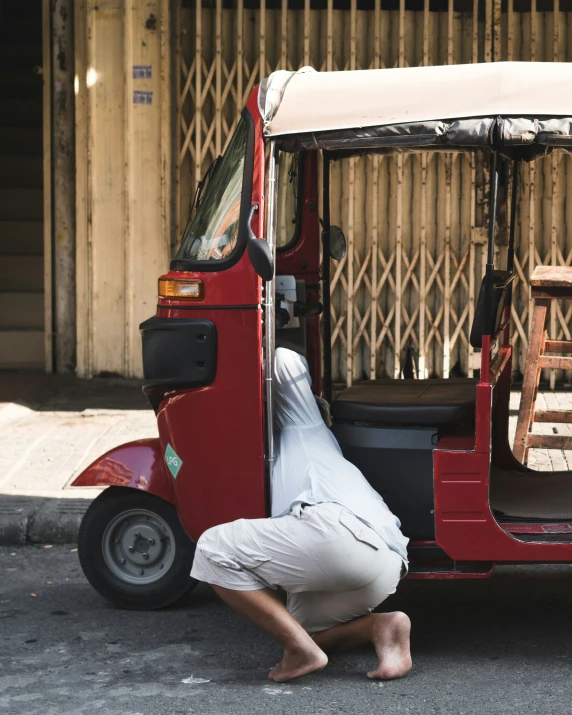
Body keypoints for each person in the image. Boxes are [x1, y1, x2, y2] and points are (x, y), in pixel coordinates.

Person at [190, 347, 412, 682]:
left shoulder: (304, 426)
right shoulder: (296, 451)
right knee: (295, 628)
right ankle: (382, 626)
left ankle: (301, 652)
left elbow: (283, 359)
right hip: (384, 565)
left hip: (337, 532)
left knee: (211, 548)